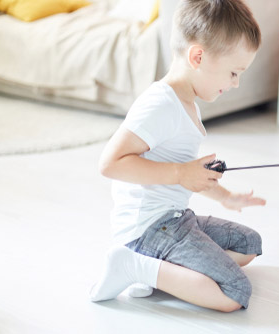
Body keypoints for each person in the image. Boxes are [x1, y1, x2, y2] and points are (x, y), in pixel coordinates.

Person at [89, 0, 265, 312]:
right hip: (147, 229)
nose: (235, 83)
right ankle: (133, 265)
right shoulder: (160, 105)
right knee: (235, 292)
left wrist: (226, 197)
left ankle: (159, 271)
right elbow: (110, 164)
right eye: (233, 72)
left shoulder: (188, 103)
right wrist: (180, 174)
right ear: (198, 56)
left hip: (175, 218)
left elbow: (187, 172)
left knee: (250, 245)